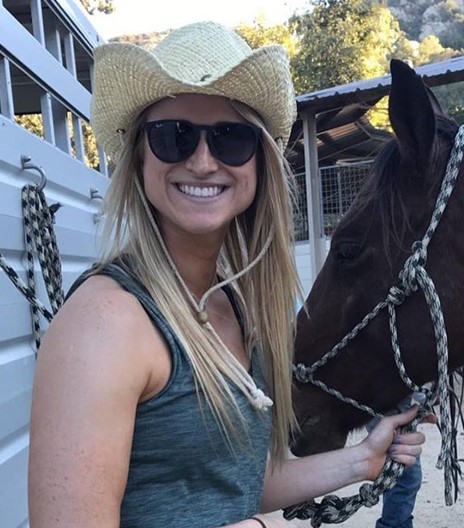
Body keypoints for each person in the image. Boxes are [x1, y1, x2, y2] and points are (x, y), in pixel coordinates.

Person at [28, 21, 430, 528]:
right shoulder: (104, 323)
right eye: (173, 137)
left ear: (259, 161)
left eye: (231, 139)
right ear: (140, 156)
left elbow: (229, 482)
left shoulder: (236, 307)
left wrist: (361, 460)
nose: (202, 162)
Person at [367, 394, 425, 528]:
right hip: (387, 397)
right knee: (406, 478)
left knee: (402, 476)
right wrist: (424, 394)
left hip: (394, 399)